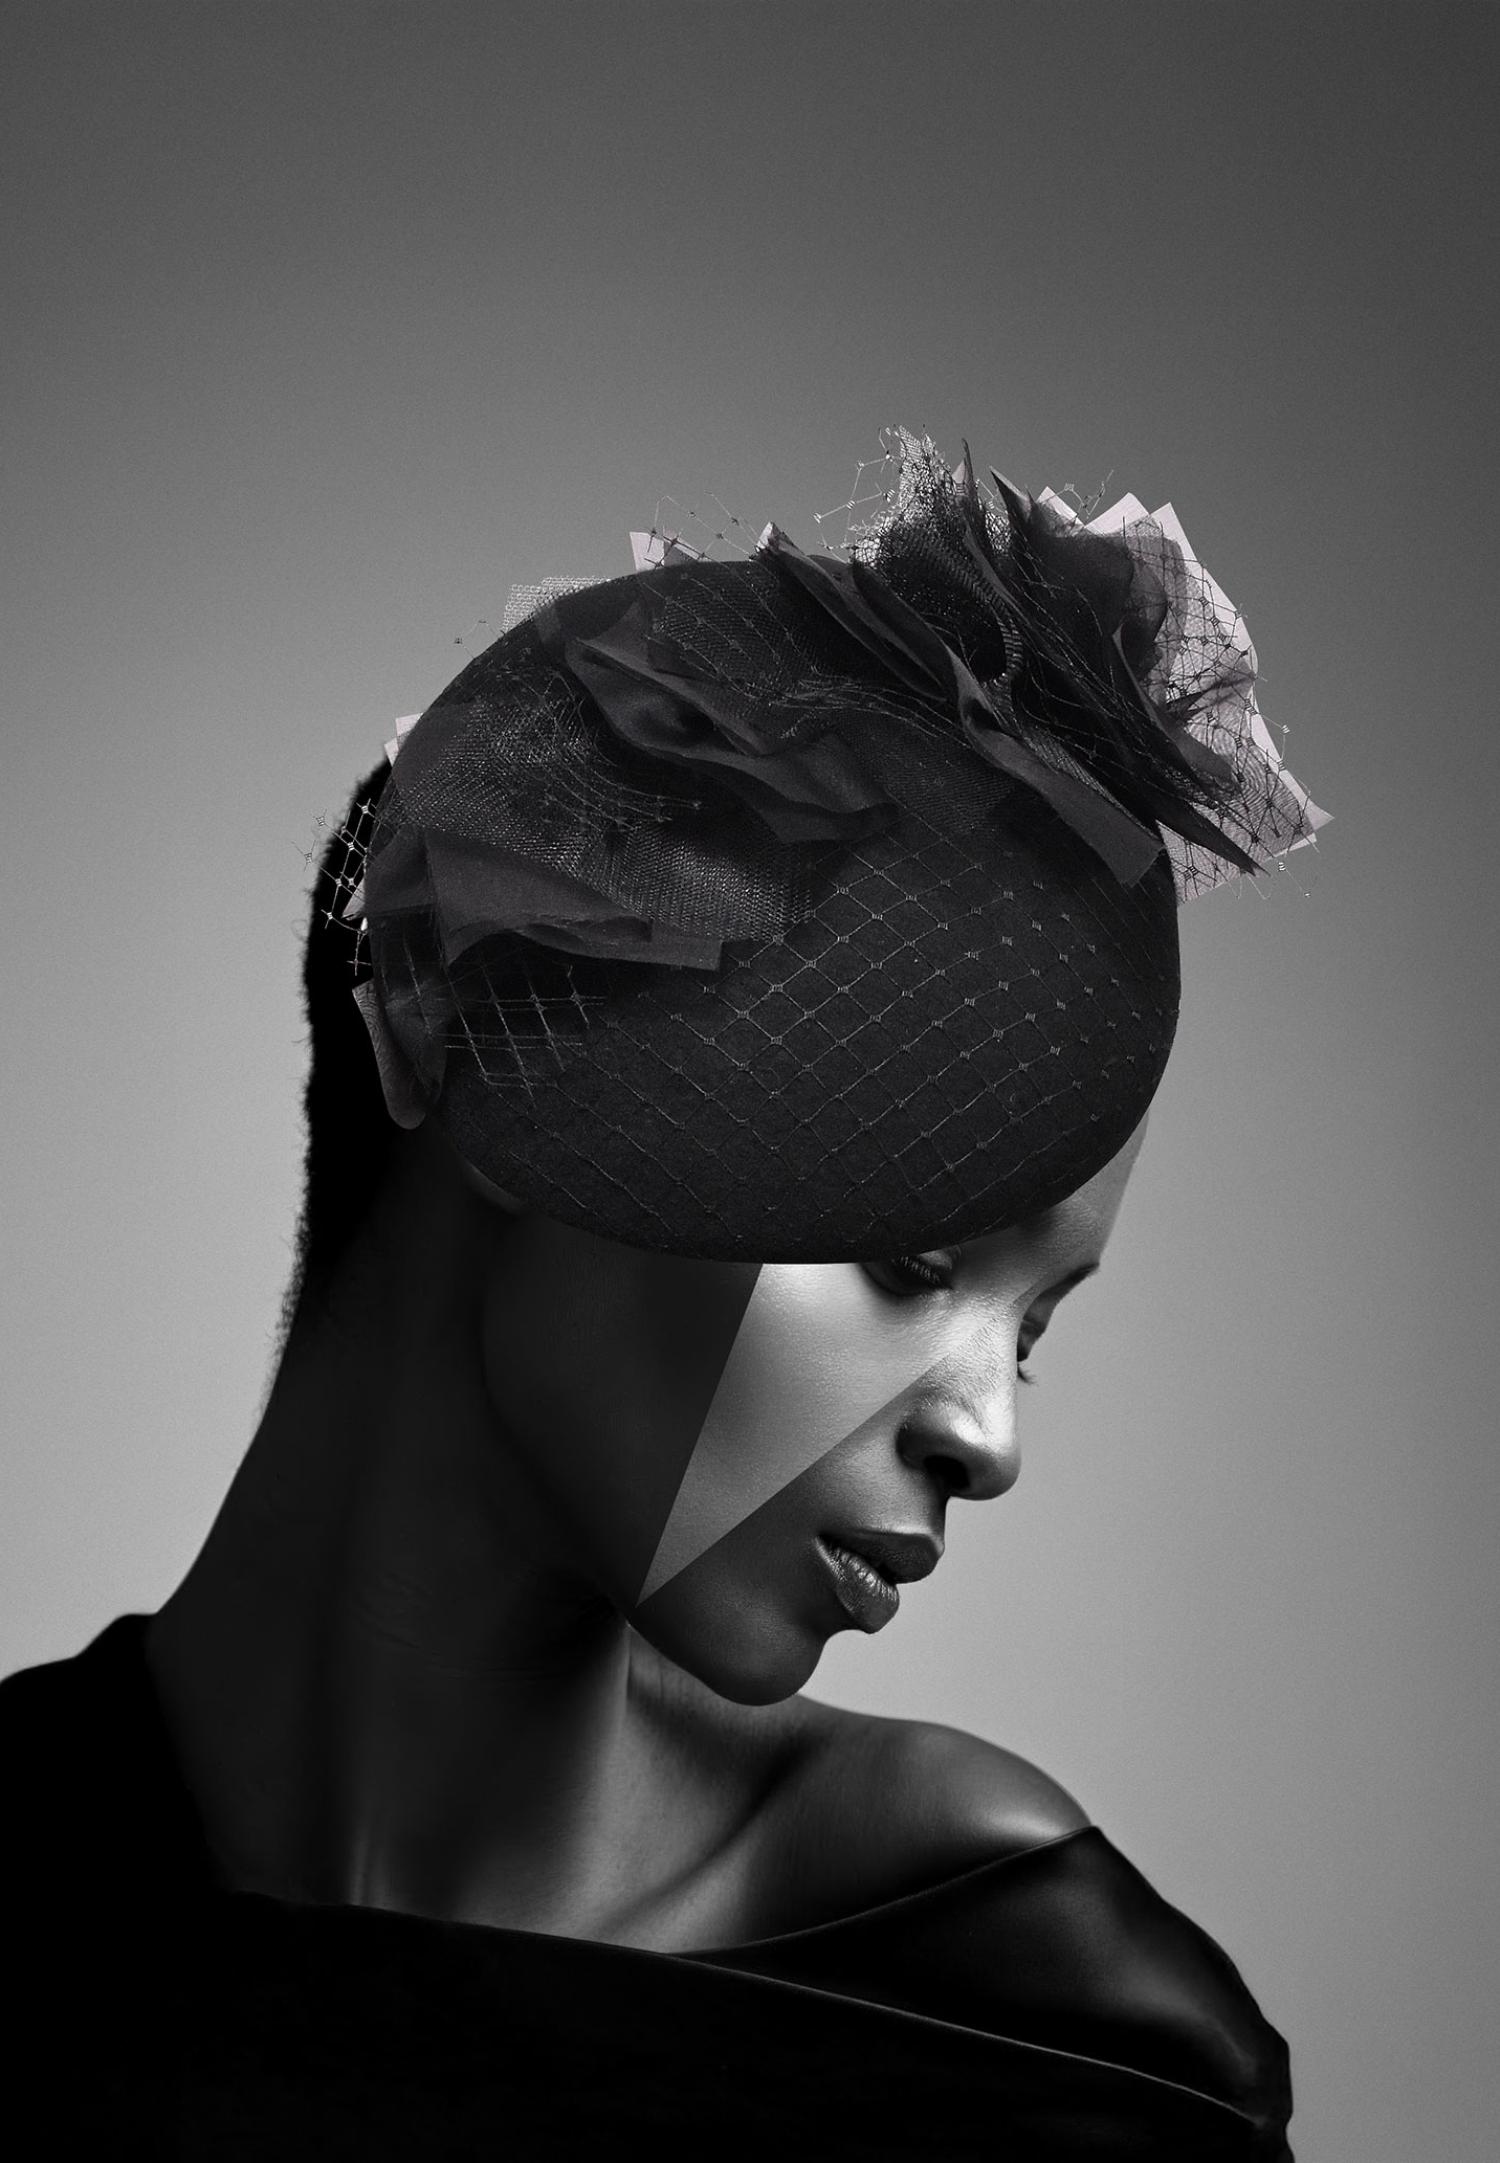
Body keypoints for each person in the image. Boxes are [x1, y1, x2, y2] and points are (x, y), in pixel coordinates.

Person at [1, 432, 1324, 2158]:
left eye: (1036, 1329)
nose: (988, 1440)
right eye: (913, 1254)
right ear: (510, 1074)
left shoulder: (1041, 2030)